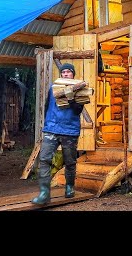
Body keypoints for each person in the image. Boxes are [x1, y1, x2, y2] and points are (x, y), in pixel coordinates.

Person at [32, 63, 84, 205]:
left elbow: (78, 110)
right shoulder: (52, 88)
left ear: (73, 74)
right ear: (61, 74)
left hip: (70, 130)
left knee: (70, 161)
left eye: (68, 72)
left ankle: (69, 187)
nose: (66, 74)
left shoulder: (80, 89)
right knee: (44, 159)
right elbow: (47, 105)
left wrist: (71, 98)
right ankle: (44, 193)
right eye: (64, 72)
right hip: (52, 129)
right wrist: (48, 122)